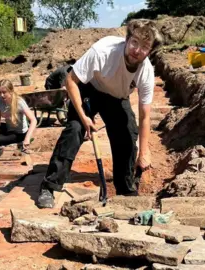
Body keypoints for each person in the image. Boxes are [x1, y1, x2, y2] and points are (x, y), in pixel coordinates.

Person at [37, 19, 163, 208]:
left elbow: (145, 116)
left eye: (144, 46)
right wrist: (84, 117)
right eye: (134, 42)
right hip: (89, 88)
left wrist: (144, 152)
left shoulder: (146, 72)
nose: (137, 50)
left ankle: (125, 190)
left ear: (150, 51)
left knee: (128, 132)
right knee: (75, 129)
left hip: (117, 97)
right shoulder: (103, 50)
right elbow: (71, 81)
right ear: (127, 39)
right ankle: (50, 186)